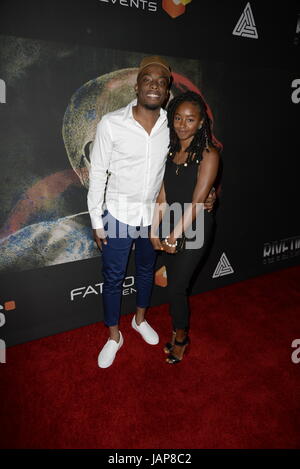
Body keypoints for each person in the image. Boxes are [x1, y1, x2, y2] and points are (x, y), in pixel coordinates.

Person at [87, 57, 216, 368]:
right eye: (148, 79)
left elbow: (188, 167)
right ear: (137, 86)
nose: (155, 85)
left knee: (146, 272)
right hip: (116, 214)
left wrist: (208, 196)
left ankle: (140, 320)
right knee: (114, 277)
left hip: (152, 217)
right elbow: (98, 174)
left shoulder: (170, 127)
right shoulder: (111, 124)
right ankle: (113, 336)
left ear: (167, 90)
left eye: (161, 81)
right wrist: (95, 220)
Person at [150, 90, 221, 364]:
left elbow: (197, 202)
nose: (182, 125)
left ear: (201, 122)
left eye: (190, 120)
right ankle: (177, 326)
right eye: (178, 118)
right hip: (172, 221)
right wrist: (154, 229)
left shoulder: (208, 154)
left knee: (177, 286)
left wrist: (172, 236)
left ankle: (181, 335)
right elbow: (163, 196)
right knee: (172, 284)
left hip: (196, 225)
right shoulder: (170, 151)